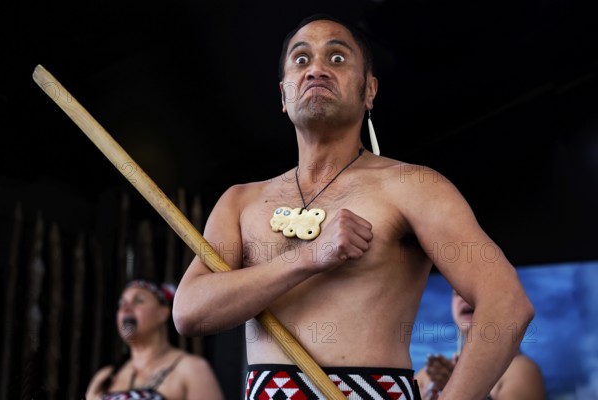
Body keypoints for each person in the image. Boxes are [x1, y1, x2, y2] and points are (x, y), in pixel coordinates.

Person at [173, 13, 535, 399]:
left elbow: (507, 303)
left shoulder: (413, 186)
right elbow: (190, 312)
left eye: (337, 58)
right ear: (283, 94)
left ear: (369, 91)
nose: (316, 70)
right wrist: (311, 256)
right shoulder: (240, 201)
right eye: (301, 60)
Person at [85, 279, 224, 400]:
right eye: (122, 303)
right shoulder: (104, 377)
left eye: (138, 300)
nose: (126, 308)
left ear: (163, 313)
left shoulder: (191, 369)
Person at [415, 290, 546, 400]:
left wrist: (460, 390)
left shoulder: (521, 370)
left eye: (475, 292)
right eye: (457, 293)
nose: (464, 298)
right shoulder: (426, 375)